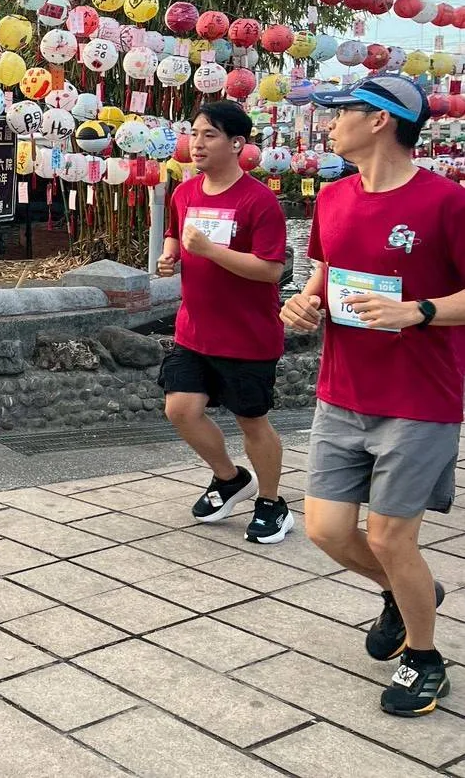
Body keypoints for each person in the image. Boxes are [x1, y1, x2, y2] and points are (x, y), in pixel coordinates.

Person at [281, 74, 464, 717]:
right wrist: (306, 303)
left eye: (341, 112)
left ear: (381, 120)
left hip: (420, 399)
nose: (328, 124)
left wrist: (418, 310)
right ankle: (410, 592)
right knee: (327, 530)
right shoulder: (332, 199)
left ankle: (425, 658)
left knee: (390, 538)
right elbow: (324, 275)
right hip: (342, 391)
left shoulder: (447, 202)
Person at [155, 100, 292, 544]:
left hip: (248, 335)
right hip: (194, 328)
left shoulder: (260, 200)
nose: (196, 144)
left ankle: (272, 502)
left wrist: (211, 252)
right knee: (179, 409)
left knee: (251, 420)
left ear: (237, 144)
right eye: (194, 134)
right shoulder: (185, 192)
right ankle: (229, 477)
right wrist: (170, 252)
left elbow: (271, 269)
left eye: (209, 135)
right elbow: (177, 231)